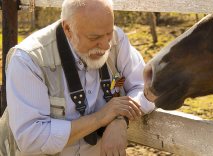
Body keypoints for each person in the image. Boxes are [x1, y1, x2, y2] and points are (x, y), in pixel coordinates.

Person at [6, 0, 155, 155]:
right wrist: (101, 117)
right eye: (94, 38)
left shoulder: (117, 40)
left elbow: (147, 88)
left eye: (108, 33)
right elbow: (31, 139)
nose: (106, 46)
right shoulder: (28, 59)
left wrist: (120, 119)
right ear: (67, 29)